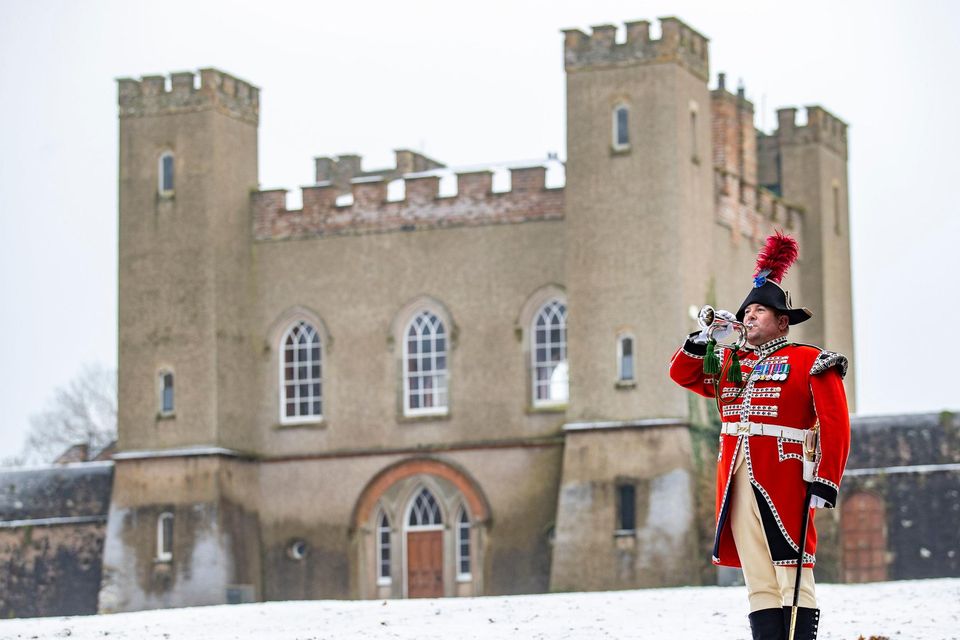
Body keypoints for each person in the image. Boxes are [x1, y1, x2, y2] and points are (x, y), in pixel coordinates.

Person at [669, 232, 850, 640]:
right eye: (746, 311)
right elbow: (682, 374)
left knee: (793, 568)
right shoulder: (730, 361)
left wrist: (827, 480)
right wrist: (704, 340)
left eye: (760, 311)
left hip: (786, 478)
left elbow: (836, 425)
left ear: (782, 321)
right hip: (735, 478)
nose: (749, 317)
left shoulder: (810, 361)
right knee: (758, 577)